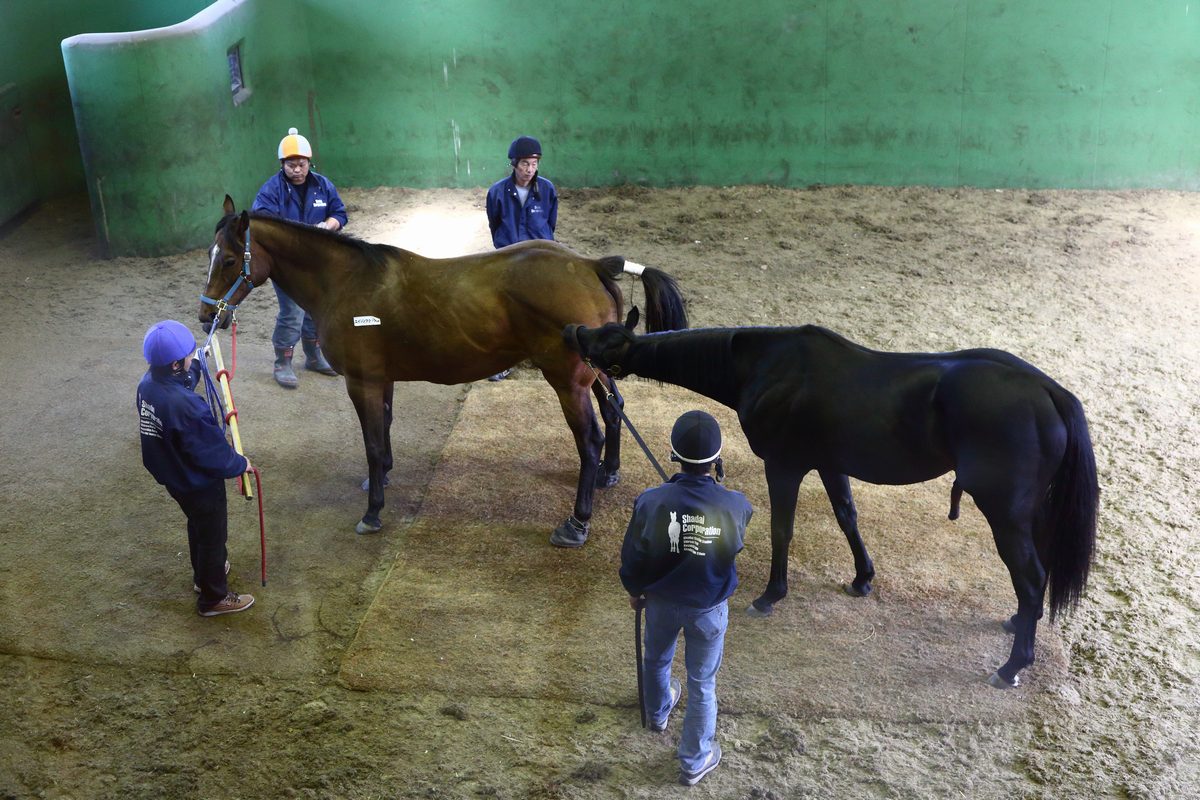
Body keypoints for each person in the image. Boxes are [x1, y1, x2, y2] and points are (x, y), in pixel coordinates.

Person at [619, 411, 753, 787]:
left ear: (673, 454)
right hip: (708, 609)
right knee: (702, 683)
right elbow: (732, 547)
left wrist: (634, 588)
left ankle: (658, 712)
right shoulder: (737, 505)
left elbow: (634, 555)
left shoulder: (650, 500)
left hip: (659, 602)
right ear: (717, 459)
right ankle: (695, 759)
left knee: (656, 658)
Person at [137, 320, 256, 617]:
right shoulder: (186, 407)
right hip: (198, 482)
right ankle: (214, 597)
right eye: (189, 355)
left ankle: (204, 575)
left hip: (174, 476)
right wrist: (241, 464)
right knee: (213, 535)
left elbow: (179, 383)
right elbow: (211, 451)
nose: (191, 357)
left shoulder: (148, 384)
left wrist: (198, 365)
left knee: (199, 526)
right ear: (175, 363)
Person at [252, 127, 348, 388]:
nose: (297, 169)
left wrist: (328, 226)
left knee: (315, 309)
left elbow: (340, 213)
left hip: (318, 262)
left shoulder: (322, 185)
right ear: (282, 164)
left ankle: (314, 356)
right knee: (292, 311)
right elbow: (261, 221)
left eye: (301, 164)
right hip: (286, 264)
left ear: (309, 162)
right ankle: (282, 362)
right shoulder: (271, 190)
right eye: (291, 165)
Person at [483, 135, 558, 380]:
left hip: (540, 259)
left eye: (534, 164)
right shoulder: (497, 192)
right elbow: (495, 225)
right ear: (514, 164)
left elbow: (550, 224)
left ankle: (545, 354)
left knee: (545, 308)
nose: (530, 170)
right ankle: (503, 362)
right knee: (505, 313)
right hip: (509, 259)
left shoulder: (547, 190)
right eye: (525, 164)